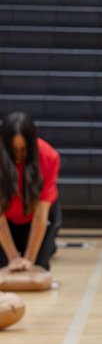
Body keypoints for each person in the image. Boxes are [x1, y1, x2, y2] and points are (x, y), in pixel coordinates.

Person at [0, 112, 61, 273]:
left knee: (38, 268)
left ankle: (48, 247)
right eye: (14, 150)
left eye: (24, 150)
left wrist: (29, 260)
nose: (19, 155)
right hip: (5, 219)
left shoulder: (49, 157)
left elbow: (41, 216)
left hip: (37, 217)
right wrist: (13, 258)